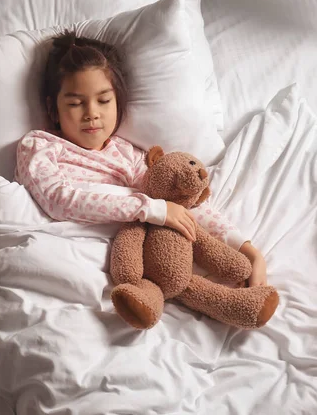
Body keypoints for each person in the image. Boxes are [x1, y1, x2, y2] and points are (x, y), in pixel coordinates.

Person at [14, 31, 267, 287]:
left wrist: (246, 249)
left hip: (141, 256)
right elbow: (58, 201)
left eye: (103, 101)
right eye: (76, 103)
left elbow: (176, 203)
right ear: (52, 109)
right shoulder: (40, 145)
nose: (92, 113)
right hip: (76, 255)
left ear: (118, 102)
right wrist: (151, 209)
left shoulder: (127, 154)